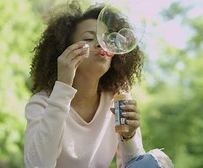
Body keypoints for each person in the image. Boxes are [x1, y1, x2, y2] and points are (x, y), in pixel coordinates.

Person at [24, 1, 173, 168]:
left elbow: (135, 165)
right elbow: (38, 164)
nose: (100, 44)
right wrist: (63, 85)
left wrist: (129, 137)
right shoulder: (42, 103)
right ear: (65, 51)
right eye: (88, 38)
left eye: (107, 39)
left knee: (159, 160)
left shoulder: (117, 100)